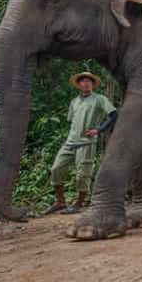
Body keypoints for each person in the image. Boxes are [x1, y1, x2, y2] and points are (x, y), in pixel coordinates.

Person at [43, 72, 117, 215]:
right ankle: (60, 201)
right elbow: (72, 121)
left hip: (87, 142)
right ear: (79, 85)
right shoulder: (74, 101)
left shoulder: (99, 99)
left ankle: (79, 203)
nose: (86, 83)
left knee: (82, 175)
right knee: (56, 168)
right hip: (70, 141)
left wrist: (99, 129)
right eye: (82, 81)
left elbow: (113, 115)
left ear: (92, 84)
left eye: (89, 81)